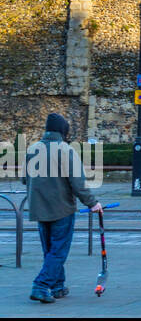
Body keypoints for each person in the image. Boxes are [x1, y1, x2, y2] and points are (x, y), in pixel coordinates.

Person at [25, 113, 101, 304]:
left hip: (39, 208)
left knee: (50, 249)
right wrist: (92, 203)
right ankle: (41, 285)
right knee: (58, 250)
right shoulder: (66, 151)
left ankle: (57, 285)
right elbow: (78, 183)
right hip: (61, 208)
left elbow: (25, 179)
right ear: (63, 131)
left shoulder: (32, 149)